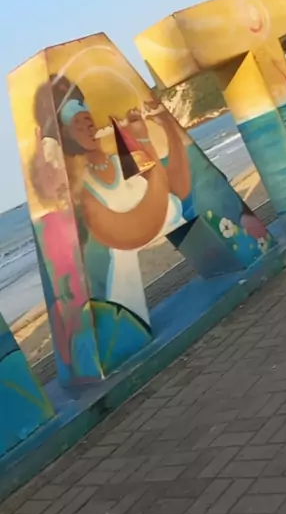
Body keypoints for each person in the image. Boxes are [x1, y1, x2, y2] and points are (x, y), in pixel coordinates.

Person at [31, 75, 192, 326]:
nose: (84, 116)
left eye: (81, 103)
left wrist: (163, 125)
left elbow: (177, 190)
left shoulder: (120, 162)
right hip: (124, 314)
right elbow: (130, 232)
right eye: (68, 110)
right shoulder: (82, 191)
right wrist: (146, 150)